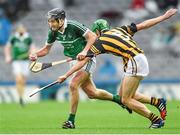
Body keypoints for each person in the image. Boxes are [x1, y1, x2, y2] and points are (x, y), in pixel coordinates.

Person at [57, 8, 177, 128]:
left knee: (126, 100)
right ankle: (158, 102)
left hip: (133, 60)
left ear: (97, 32)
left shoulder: (99, 42)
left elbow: (83, 62)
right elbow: (143, 25)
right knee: (124, 95)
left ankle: (155, 120)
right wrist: (163, 17)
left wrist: (66, 75)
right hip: (138, 58)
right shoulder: (120, 29)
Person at [29, 8, 132, 129]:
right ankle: (119, 100)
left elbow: (92, 37)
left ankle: (70, 121)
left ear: (61, 20)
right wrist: (36, 54)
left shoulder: (73, 26)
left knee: (73, 85)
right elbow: (46, 50)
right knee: (92, 93)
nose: (50, 24)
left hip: (87, 59)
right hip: (73, 62)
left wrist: (84, 51)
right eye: (49, 21)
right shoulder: (53, 31)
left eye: (53, 21)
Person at [4, 24, 36, 106]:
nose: (21, 30)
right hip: (16, 61)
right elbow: (7, 47)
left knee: (23, 81)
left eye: (23, 28)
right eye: (20, 29)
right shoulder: (14, 38)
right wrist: (8, 56)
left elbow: (33, 48)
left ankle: (21, 96)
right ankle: (20, 98)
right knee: (19, 79)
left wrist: (31, 53)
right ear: (17, 30)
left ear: (25, 29)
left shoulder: (28, 38)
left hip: (25, 62)